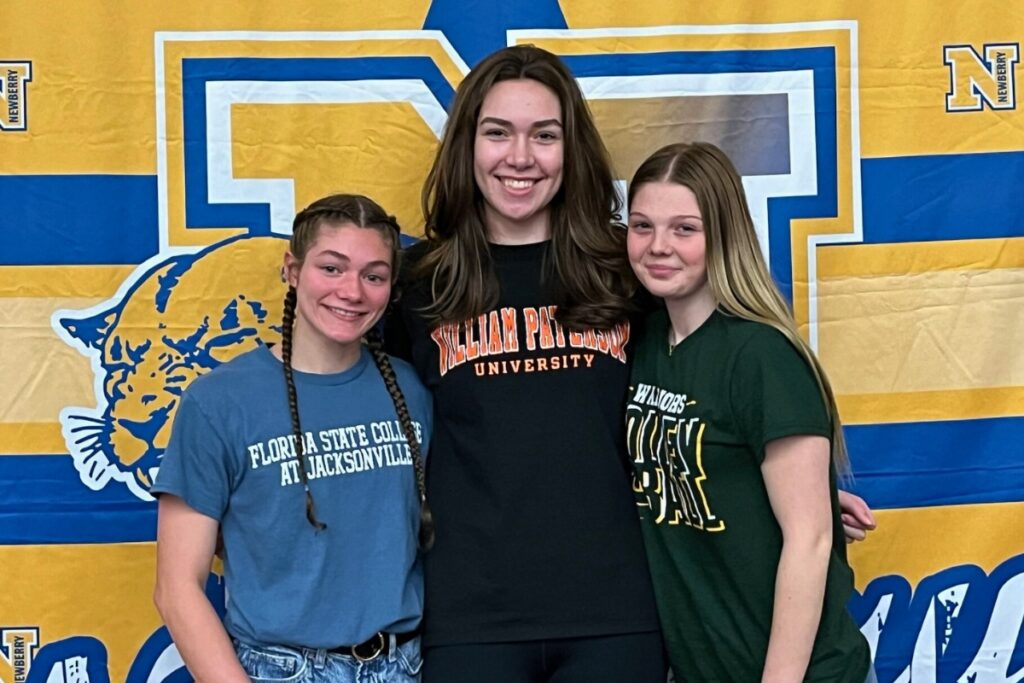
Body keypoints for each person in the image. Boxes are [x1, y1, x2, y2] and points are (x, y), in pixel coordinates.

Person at [387, 45, 875, 682]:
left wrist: (783, 489)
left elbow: (692, 401)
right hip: (471, 618)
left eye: (545, 135)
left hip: (618, 617)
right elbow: (368, 422)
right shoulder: (418, 285)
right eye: (497, 132)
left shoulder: (626, 271)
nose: (520, 157)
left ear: (572, 149)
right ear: (466, 145)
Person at [152, 194, 433, 683]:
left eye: (374, 276)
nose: (352, 291)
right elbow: (177, 588)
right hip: (280, 668)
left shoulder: (412, 390)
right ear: (292, 270)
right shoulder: (219, 403)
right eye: (332, 268)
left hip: (404, 664)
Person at [624, 142, 873, 682]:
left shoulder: (761, 355)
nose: (659, 246)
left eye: (684, 229)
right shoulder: (643, 342)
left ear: (723, 233)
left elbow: (809, 542)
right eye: (642, 226)